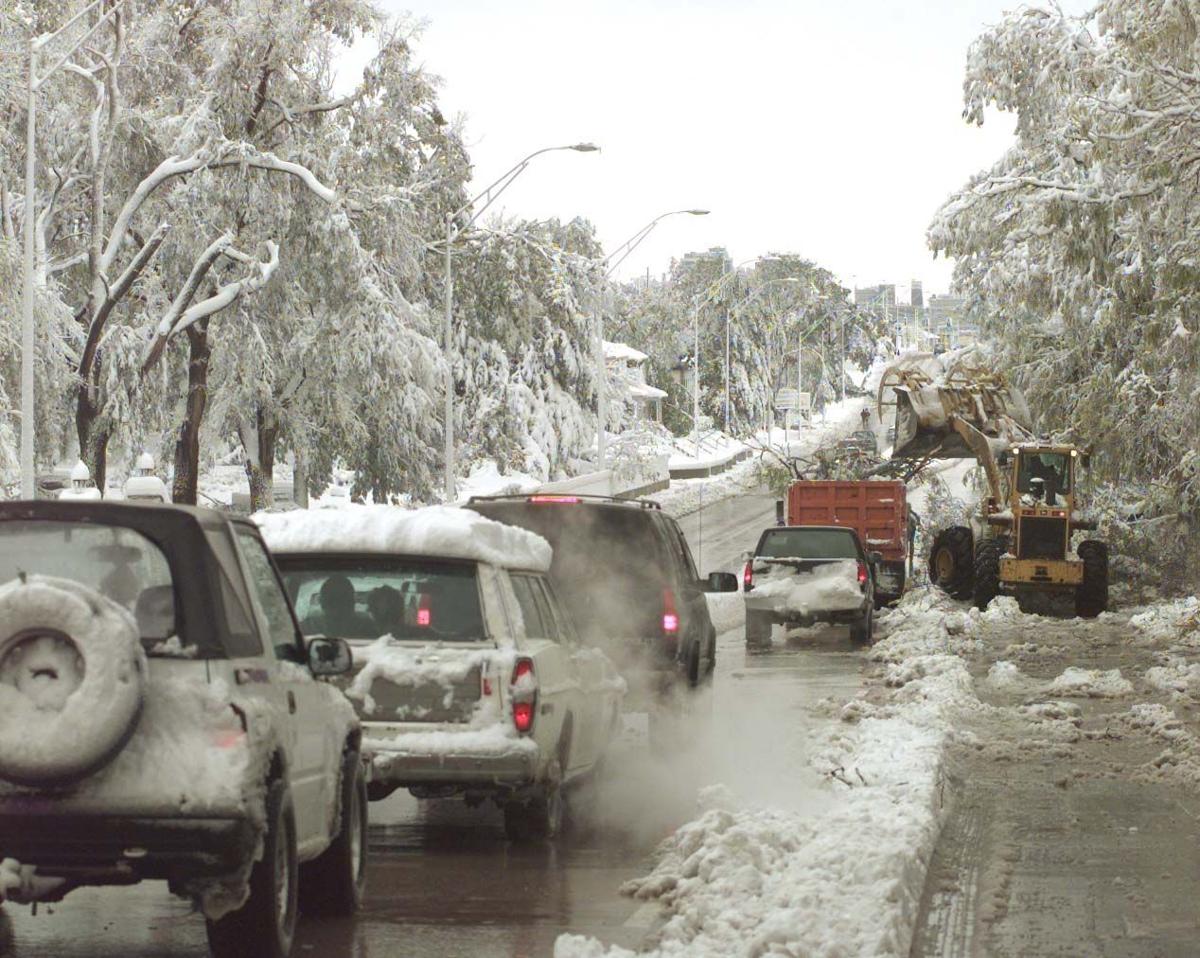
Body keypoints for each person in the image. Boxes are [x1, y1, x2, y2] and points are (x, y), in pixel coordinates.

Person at [307, 575, 375, 638]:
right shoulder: (369, 627)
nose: (338, 609)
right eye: (332, 601)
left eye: (343, 600)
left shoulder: (307, 629)